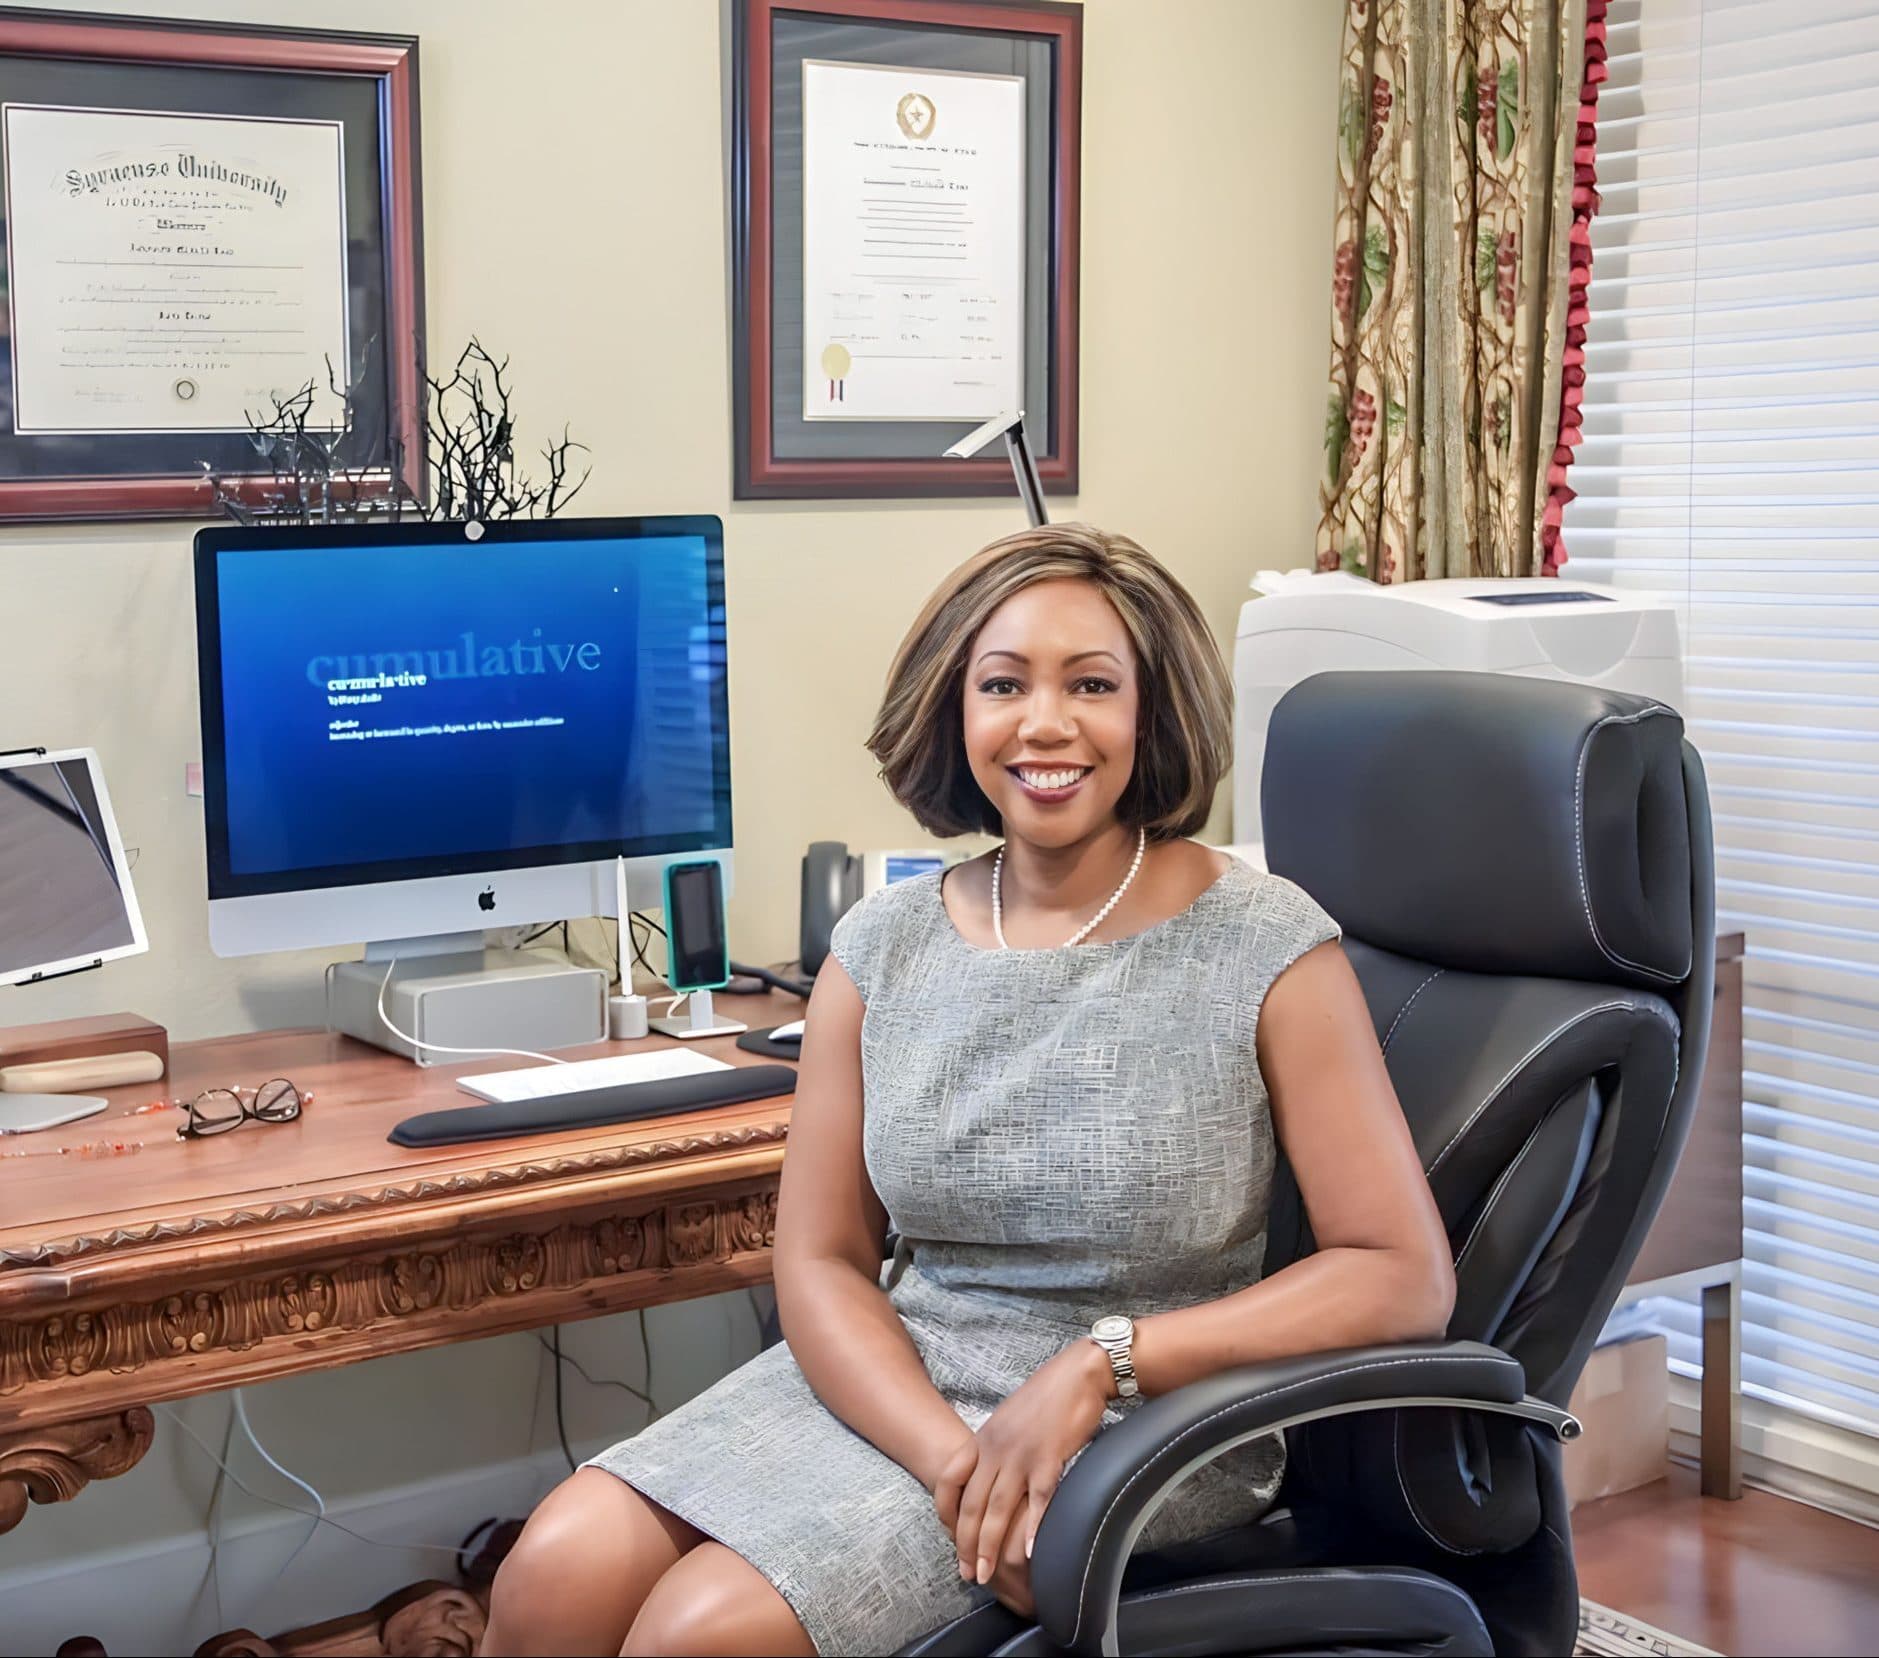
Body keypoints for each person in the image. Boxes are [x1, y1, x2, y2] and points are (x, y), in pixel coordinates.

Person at [478, 526, 1456, 1658]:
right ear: (956, 711)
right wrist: (953, 1466)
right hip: (895, 1386)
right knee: (551, 1568)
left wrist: (1106, 1358)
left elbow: (1400, 1275)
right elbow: (823, 1261)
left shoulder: (1266, 943)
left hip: (1148, 1420)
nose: (1046, 723)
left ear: (1152, 712)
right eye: (1004, 684)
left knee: (697, 1633)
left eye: (1091, 683)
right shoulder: (880, 947)